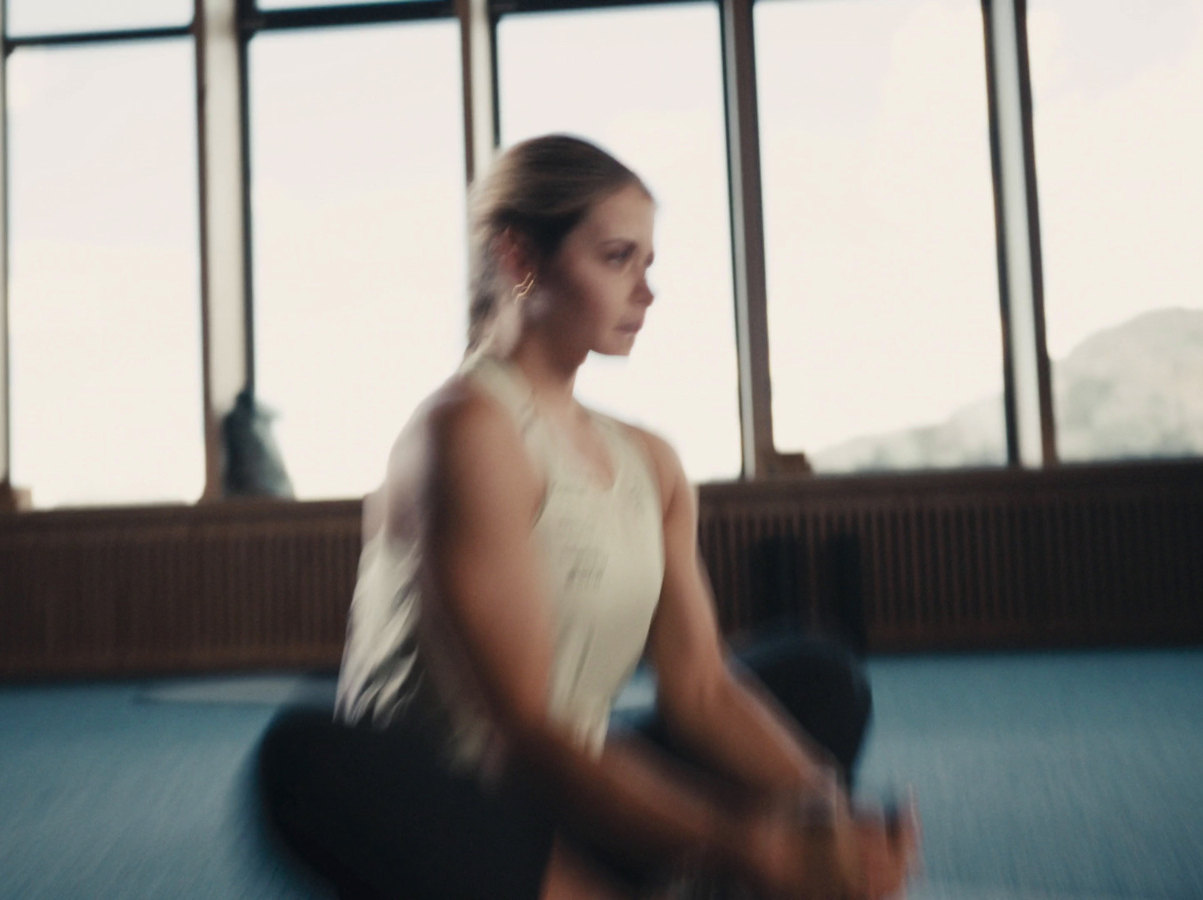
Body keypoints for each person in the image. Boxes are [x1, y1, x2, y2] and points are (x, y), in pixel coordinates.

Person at [258, 134, 918, 900]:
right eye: (616, 258)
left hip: (575, 788)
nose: (646, 291)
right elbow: (522, 735)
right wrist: (747, 843)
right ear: (519, 256)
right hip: (456, 808)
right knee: (302, 754)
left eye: (647, 263)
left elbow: (700, 689)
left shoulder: (650, 461)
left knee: (821, 679)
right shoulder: (466, 430)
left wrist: (827, 813)